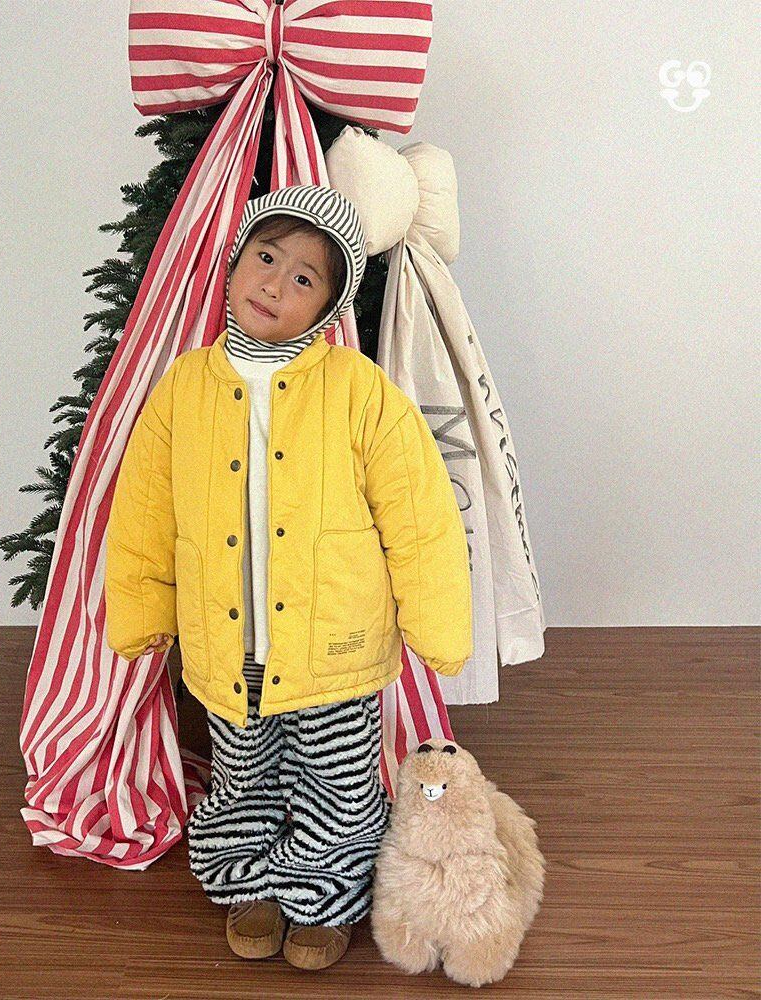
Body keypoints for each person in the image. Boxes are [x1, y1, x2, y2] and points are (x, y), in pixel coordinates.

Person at [105, 184, 472, 970]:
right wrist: (142, 609)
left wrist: (437, 622)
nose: (274, 284)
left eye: (303, 277)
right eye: (265, 258)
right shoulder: (184, 386)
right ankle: (251, 883)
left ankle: (323, 894)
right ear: (235, 262)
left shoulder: (359, 390)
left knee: (337, 780)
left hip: (333, 646)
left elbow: (418, 511)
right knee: (244, 776)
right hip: (227, 642)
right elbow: (144, 507)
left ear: (329, 306)